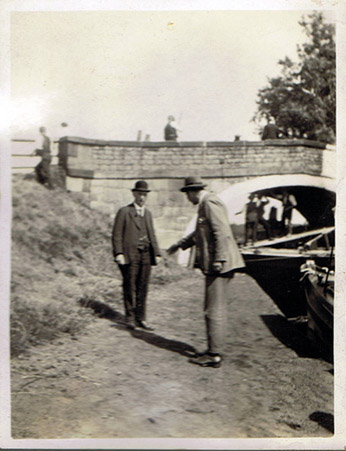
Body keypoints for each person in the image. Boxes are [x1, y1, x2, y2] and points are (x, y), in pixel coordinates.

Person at [167, 176, 245, 368]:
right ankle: (213, 349)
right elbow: (200, 232)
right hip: (220, 263)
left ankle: (214, 354)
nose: (187, 199)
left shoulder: (209, 202)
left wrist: (219, 259)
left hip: (220, 265)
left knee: (213, 310)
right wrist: (179, 245)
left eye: (187, 194)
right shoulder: (206, 204)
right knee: (214, 308)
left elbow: (221, 231)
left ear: (193, 192)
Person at [112, 181, 162, 331]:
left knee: (143, 286)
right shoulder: (124, 212)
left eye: (144, 195)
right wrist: (119, 253)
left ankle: (141, 318)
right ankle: (130, 318)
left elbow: (152, 234)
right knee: (130, 285)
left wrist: (157, 253)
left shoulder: (148, 213)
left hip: (145, 255)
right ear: (134, 194)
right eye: (139, 194)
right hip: (130, 255)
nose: (142, 197)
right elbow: (116, 235)